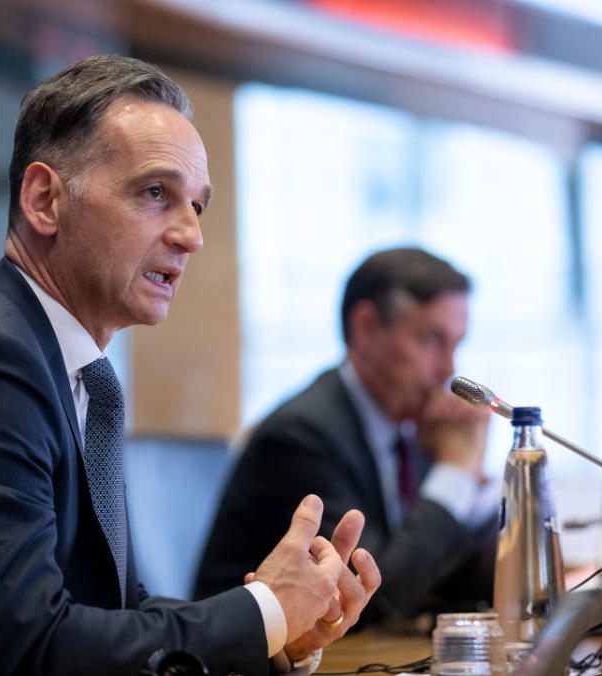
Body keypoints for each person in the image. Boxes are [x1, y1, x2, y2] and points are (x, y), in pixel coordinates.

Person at [0, 55, 380, 676]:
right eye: (155, 193)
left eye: (196, 206)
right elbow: (31, 646)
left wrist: (282, 637)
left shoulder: (69, 370)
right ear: (44, 200)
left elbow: (115, 610)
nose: (190, 236)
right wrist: (263, 612)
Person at [195, 248, 497, 626]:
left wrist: (476, 483)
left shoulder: (416, 433)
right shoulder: (302, 436)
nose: (449, 371)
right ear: (366, 328)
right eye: (431, 341)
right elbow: (372, 601)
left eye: (456, 345)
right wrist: (456, 471)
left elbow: (453, 575)